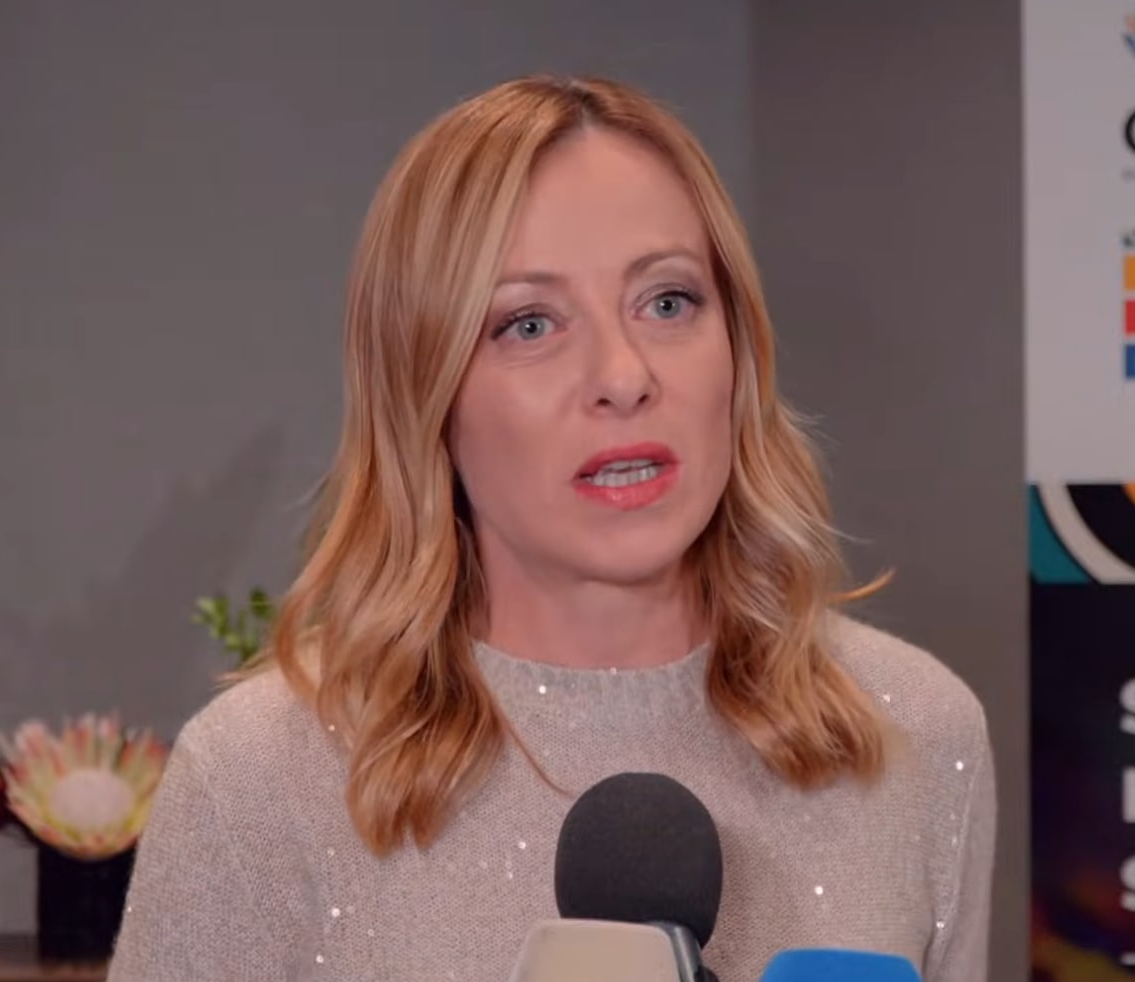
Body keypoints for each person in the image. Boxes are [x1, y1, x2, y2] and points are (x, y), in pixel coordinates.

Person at [107, 74, 995, 982]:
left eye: (667, 302)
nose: (623, 375)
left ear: (739, 348)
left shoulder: (916, 732)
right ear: (426, 392)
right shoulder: (257, 778)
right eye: (529, 323)